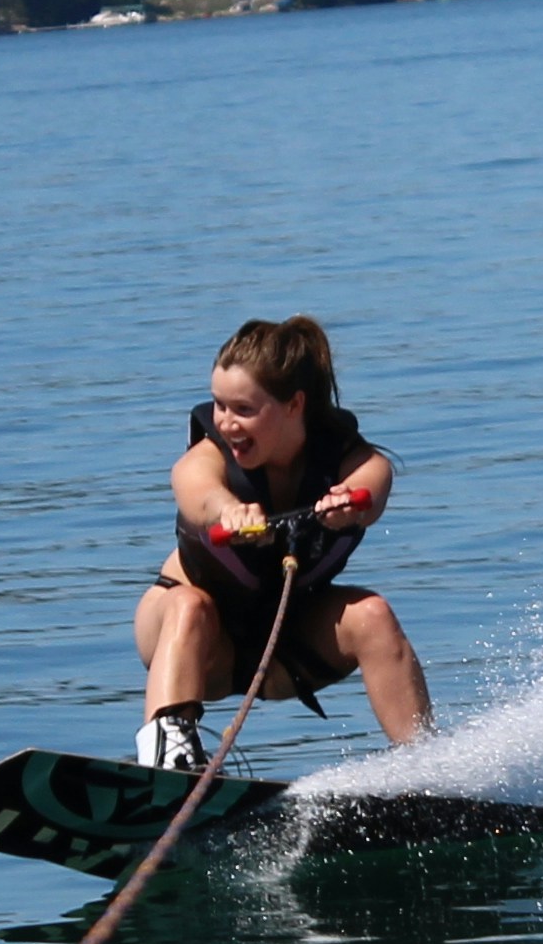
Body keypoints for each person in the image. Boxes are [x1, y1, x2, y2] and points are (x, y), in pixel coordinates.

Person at [136, 314, 432, 770]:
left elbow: (376, 479)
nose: (227, 423)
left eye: (244, 410)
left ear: (294, 405)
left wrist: (352, 506)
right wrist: (225, 509)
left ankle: (427, 767)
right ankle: (168, 759)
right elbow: (193, 487)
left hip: (285, 649)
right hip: (196, 645)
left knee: (373, 614)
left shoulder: (346, 455)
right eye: (219, 406)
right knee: (189, 606)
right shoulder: (209, 457)